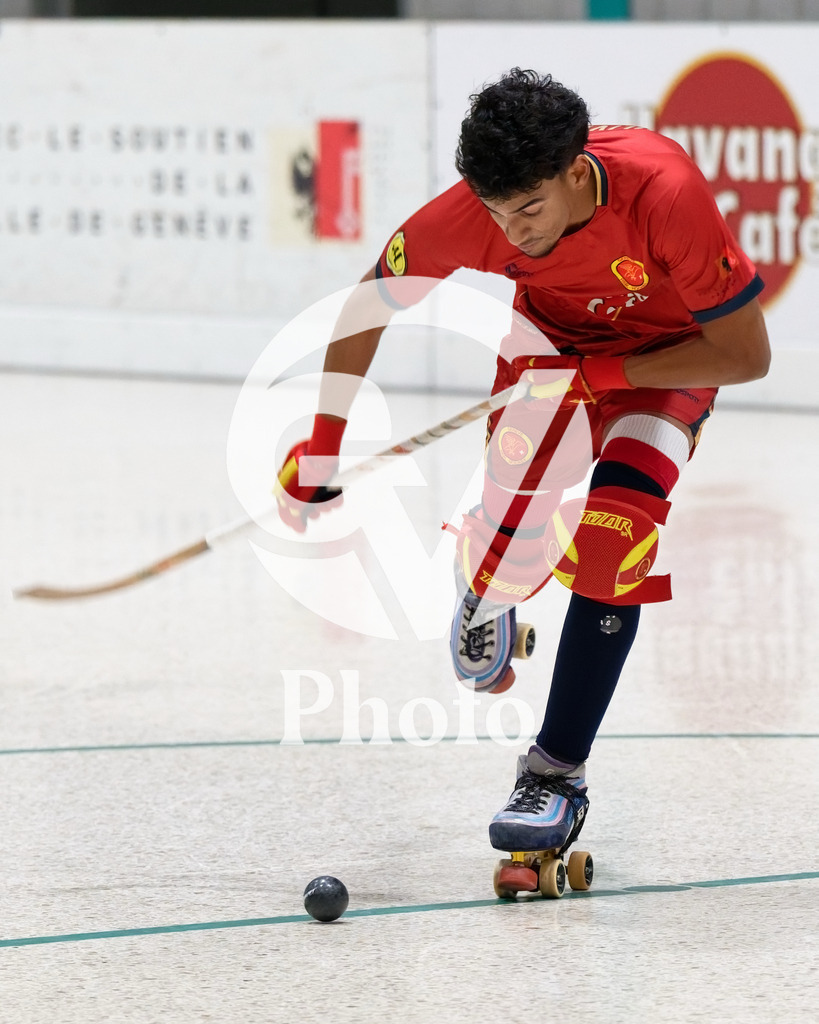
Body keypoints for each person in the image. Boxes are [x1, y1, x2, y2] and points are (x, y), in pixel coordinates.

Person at [274, 68, 770, 891]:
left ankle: (553, 774)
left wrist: (602, 375)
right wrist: (323, 446)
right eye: (496, 213)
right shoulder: (475, 213)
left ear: (576, 171)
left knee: (613, 545)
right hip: (543, 358)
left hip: (666, 365)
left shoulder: (663, 193)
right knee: (509, 547)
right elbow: (367, 307)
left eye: (529, 209)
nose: (512, 233)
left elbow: (745, 354)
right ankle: (491, 575)